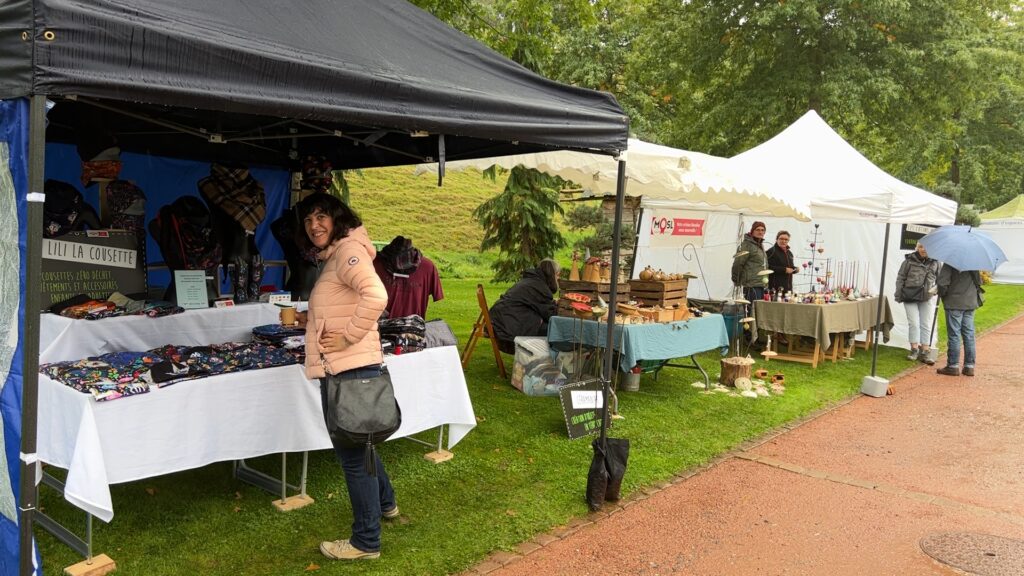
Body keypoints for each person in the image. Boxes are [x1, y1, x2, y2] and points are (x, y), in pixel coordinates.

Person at [289, 193, 398, 561]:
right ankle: (386, 503)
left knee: (353, 456)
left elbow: (376, 295)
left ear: (337, 219)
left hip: (348, 367)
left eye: (322, 217)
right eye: (308, 220)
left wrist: (348, 335)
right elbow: (347, 301)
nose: (314, 225)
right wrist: (312, 321)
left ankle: (366, 542)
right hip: (349, 366)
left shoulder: (348, 252)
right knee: (362, 443)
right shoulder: (337, 255)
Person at [489, 259, 560, 354]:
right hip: (509, 326)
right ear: (553, 274)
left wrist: (553, 304)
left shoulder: (532, 281)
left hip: (501, 320)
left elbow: (539, 305)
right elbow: (550, 315)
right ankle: (547, 362)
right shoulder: (539, 286)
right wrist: (560, 306)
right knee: (556, 331)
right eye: (558, 275)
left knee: (549, 328)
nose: (558, 278)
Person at [894, 242, 940, 365]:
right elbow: (901, 278)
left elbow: (940, 280)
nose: (923, 249)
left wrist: (935, 291)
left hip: (926, 297)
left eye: (926, 247)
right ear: (917, 248)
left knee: (926, 323)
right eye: (920, 247)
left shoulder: (935, 262)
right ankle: (914, 349)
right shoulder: (908, 261)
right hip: (909, 296)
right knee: (913, 323)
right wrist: (899, 294)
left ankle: (925, 351)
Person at [935, 264, 982, 377]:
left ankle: (953, 366)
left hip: (954, 302)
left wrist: (943, 295)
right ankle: (969, 366)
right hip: (970, 302)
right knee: (969, 335)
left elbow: (942, 284)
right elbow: (979, 282)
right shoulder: (973, 262)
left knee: (954, 335)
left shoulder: (950, 262)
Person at [731, 221, 769, 302]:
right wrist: (736, 281)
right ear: (752, 231)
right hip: (751, 285)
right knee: (752, 311)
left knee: (757, 311)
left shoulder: (759, 245)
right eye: (757, 229)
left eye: (762, 230)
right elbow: (738, 263)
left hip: (760, 284)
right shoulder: (746, 245)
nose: (760, 232)